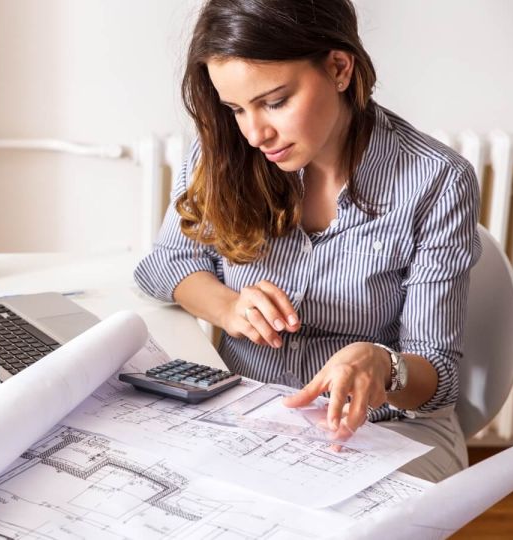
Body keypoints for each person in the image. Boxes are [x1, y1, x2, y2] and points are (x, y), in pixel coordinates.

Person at [134, 0, 481, 483]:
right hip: (249, 413)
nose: (255, 133)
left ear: (339, 68)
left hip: (387, 429)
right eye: (236, 108)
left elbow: (435, 382)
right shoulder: (224, 152)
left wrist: (382, 365)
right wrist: (228, 307)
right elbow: (166, 263)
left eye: (275, 101)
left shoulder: (437, 181)